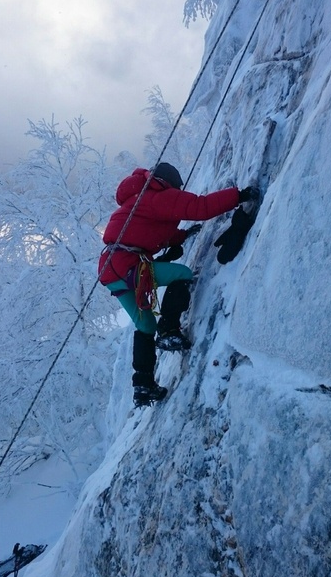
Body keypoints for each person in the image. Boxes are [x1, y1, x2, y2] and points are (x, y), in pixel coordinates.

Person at [98, 162, 258, 407]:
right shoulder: (157, 195)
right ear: (170, 183)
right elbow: (200, 207)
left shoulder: (138, 200)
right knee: (181, 274)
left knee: (144, 324)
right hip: (128, 266)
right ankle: (169, 331)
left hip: (111, 271)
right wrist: (238, 195)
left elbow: (149, 230)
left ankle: (143, 385)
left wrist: (182, 237)